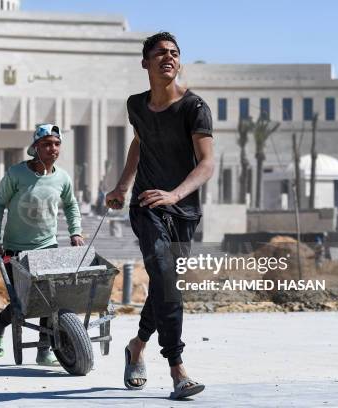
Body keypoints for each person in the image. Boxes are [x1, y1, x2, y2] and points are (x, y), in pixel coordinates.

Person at [106, 32, 214, 399]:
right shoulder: (136, 105)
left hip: (184, 211)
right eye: (160, 53)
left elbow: (208, 163)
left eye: (174, 53)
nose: (168, 57)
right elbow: (140, 141)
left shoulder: (194, 107)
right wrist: (122, 186)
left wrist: (176, 194)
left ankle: (136, 346)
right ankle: (177, 368)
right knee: (166, 278)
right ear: (145, 63)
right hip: (147, 206)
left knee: (165, 285)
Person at [0, 123, 85, 366]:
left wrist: (76, 232)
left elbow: (71, 205)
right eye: (47, 144)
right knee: (22, 301)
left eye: (57, 144)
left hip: (47, 247)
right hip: (13, 250)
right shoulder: (16, 174)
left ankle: (43, 350)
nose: (53, 148)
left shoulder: (62, 177)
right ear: (35, 148)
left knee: (50, 300)